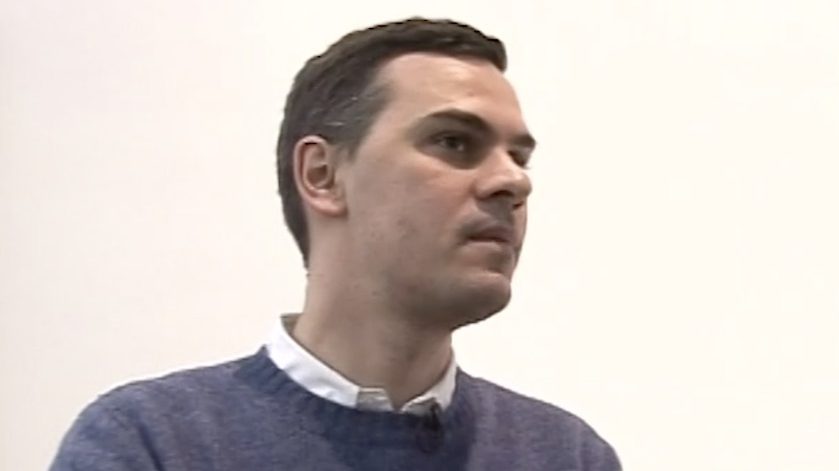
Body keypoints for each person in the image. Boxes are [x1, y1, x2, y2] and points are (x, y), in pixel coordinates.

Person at [50, 17, 621, 470]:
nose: (513, 181)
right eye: (454, 142)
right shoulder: (151, 445)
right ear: (322, 175)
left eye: (518, 157)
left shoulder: (567, 457)